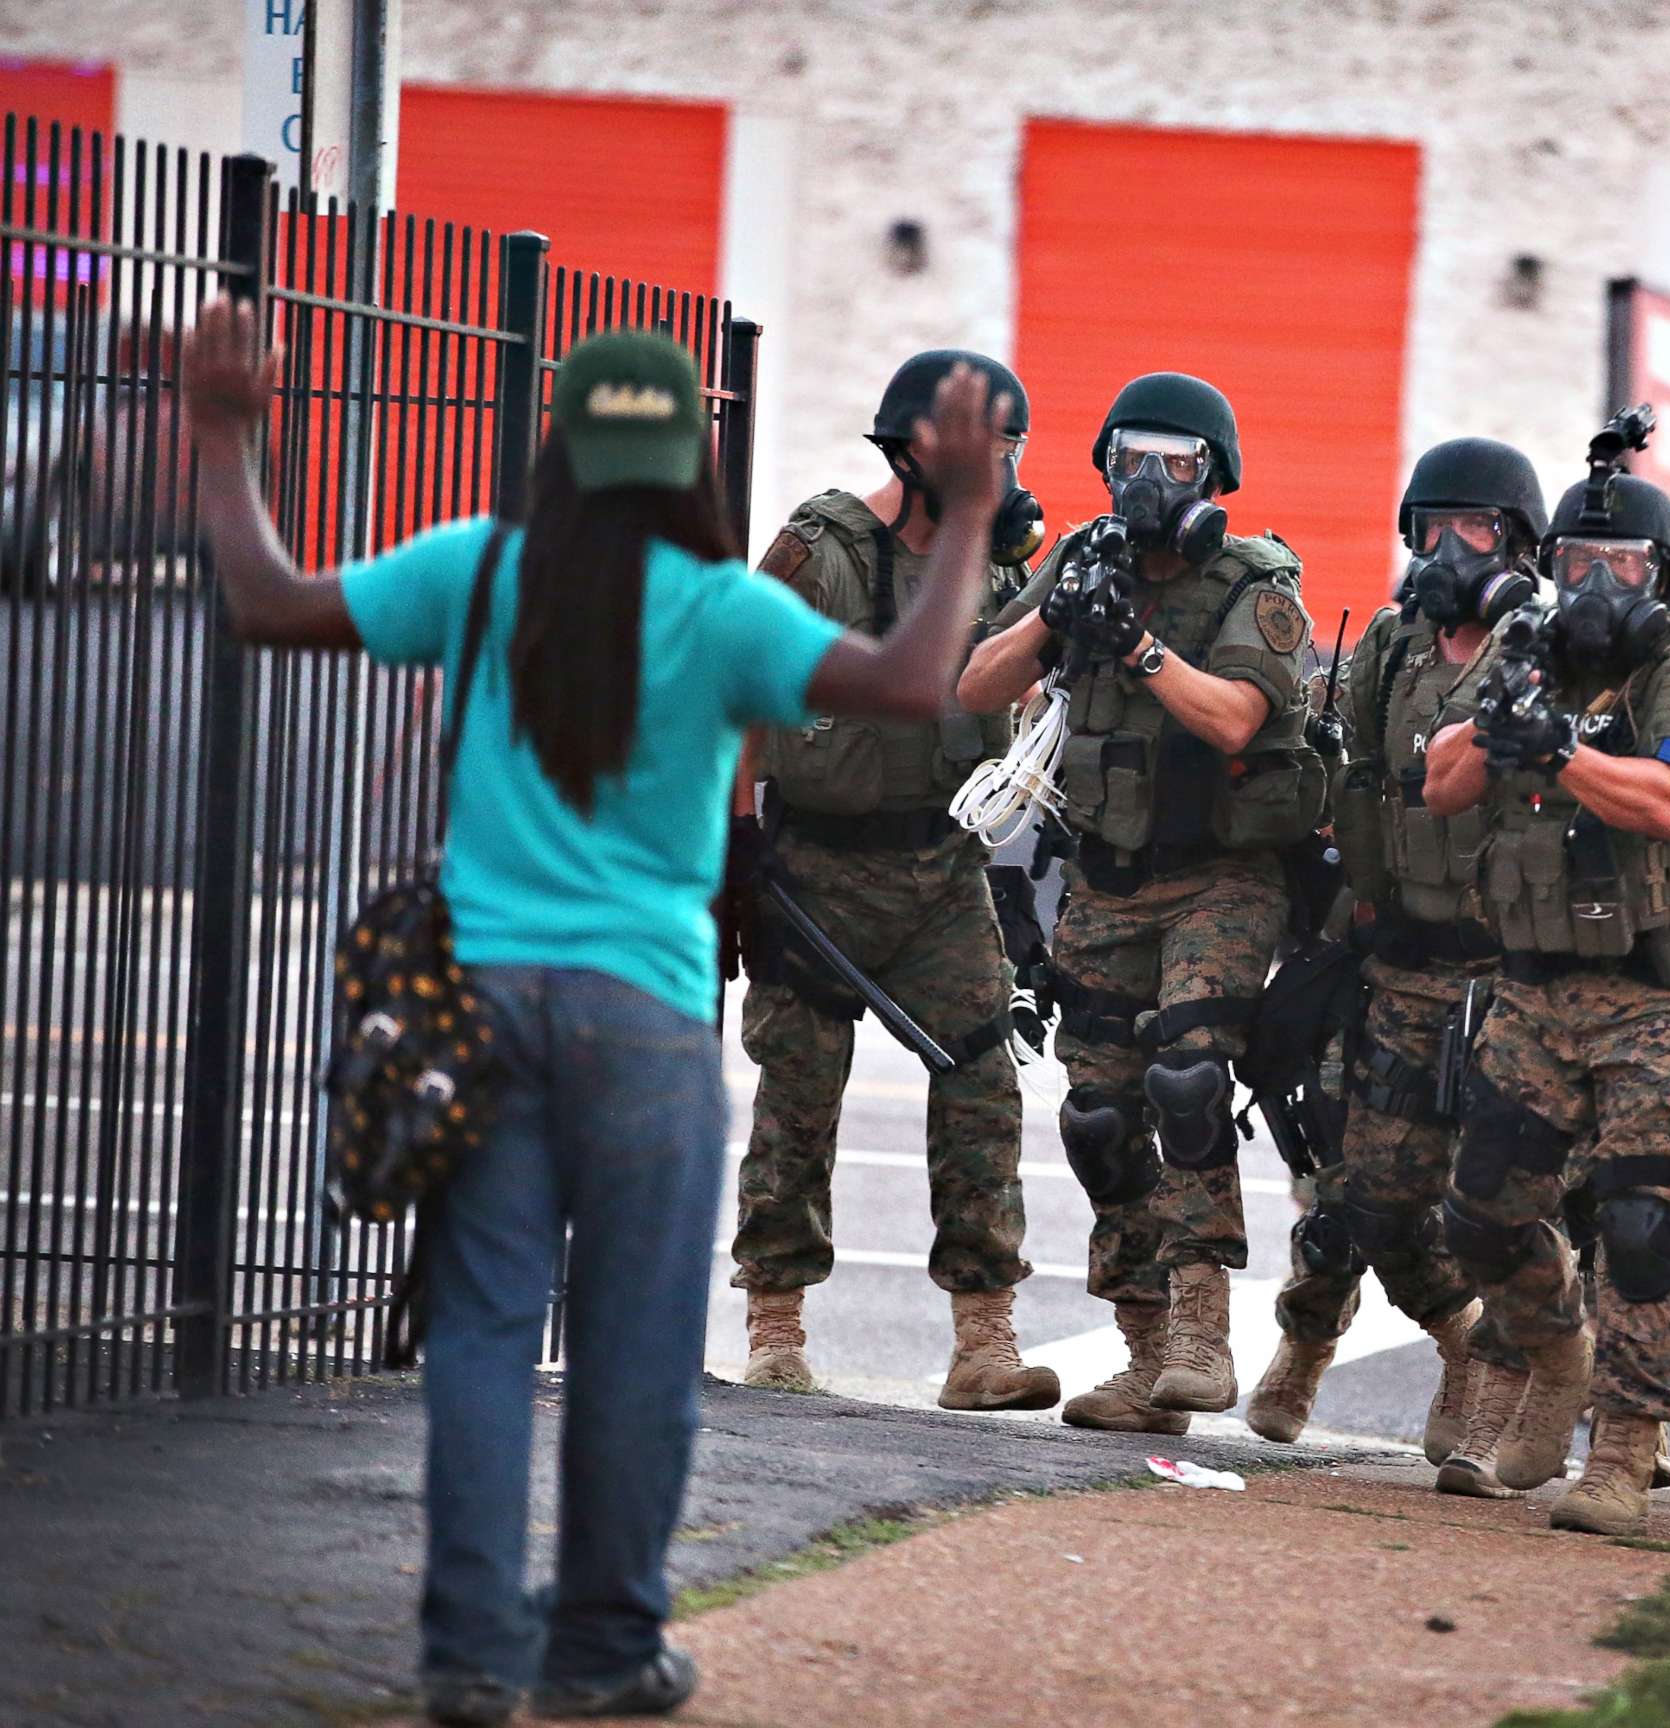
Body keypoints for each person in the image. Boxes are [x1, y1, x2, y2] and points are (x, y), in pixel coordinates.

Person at [181, 303, 1007, 1721]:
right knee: (631, 1347)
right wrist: (974, 510)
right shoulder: (720, 609)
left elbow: (266, 599)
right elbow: (912, 684)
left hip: (482, 1008)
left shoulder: (479, 573)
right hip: (644, 1022)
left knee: (487, 1331)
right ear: (690, 460)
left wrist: (219, 435)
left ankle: (466, 1653)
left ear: (557, 446)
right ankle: (607, 1644)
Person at [1419, 470, 1670, 1534]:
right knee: (1481, 1214)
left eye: (1617, 566)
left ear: (1662, 576)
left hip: (1656, 999)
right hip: (1533, 993)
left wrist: (1563, 754)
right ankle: (1560, 1350)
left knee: (1637, 1223)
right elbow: (1443, 785)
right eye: (1573, 563)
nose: (1591, 583)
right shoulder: (1526, 655)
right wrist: (1507, 716)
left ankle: (1623, 1454)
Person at [959, 372, 1320, 1431]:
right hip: (1107, 878)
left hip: (1221, 875)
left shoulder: (1255, 586)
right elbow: (976, 686)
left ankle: (1206, 1335)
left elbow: (1236, 719)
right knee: (1099, 1113)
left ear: (1215, 474)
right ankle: (1145, 1350)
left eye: (1175, 461)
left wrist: (1138, 648)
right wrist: (1058, 622)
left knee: (1187, 1074)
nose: (1149, 480)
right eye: (1130, 458)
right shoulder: (1083, 559)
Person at [727, 350, 1055, 1412]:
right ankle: (775, 1324)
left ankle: (984, 1339)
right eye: (985, 450)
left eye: (1008, 450)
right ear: (916, 450)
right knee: (797, 1097)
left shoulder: (994, 570)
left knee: (982, 1081)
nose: (1001, 471)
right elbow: (737, 692)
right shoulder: (819, 554)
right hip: (813, 865)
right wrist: (735, 850)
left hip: (941, 869)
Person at [1244, 438, 1544, 1453]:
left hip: (1511, 975)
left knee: (1508, 1203)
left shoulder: (1543, 649)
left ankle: (1522, 1391)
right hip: (1400, 957)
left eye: (1476, 529)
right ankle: (1317, 1347)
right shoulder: (1392, 642)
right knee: (1360, 1196)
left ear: (1519, 542)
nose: (1450, 547)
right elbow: (1358, 780)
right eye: (1432, 528)